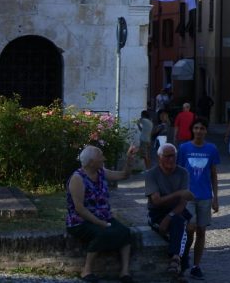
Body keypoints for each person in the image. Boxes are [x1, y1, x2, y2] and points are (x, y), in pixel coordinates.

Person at [65, 144, 138, 283]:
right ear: (91, 162)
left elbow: (124, 175)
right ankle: (86, 271)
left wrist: (129, 159)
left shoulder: (101, 172)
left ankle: (125, 271)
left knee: (125, 232)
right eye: (101, 156)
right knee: (102, 233)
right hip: (79, 221)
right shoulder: (77, 178)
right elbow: (79, 208)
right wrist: (99, 223)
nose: (104, 158)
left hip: (104, 217)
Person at [177, 118, 220, 280]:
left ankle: (196, 265)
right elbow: (179, 172)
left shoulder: (212, 149)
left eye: (202, 128)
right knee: (189, 229)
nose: (199, 131)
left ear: (205, 131)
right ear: (192, 130)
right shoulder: (184, 148)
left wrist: (216, 197)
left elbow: (214, 174)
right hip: (188, 196)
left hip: (205, 196)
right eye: (196, 128)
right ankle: (184, 256)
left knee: (201, 231)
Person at [144, 143, 195, 275]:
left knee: (190, 225)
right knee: (181, 225)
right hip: (158, 212)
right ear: (159, 157)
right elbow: (156, 201)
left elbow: (183, 202)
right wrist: (178, 193)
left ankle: (176, 258)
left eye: (173, 156)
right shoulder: (152, 174)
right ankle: (181, 262)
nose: (171, 159)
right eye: (167, 156)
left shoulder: (183, 173)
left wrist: (170, 216)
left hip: (176, 210)